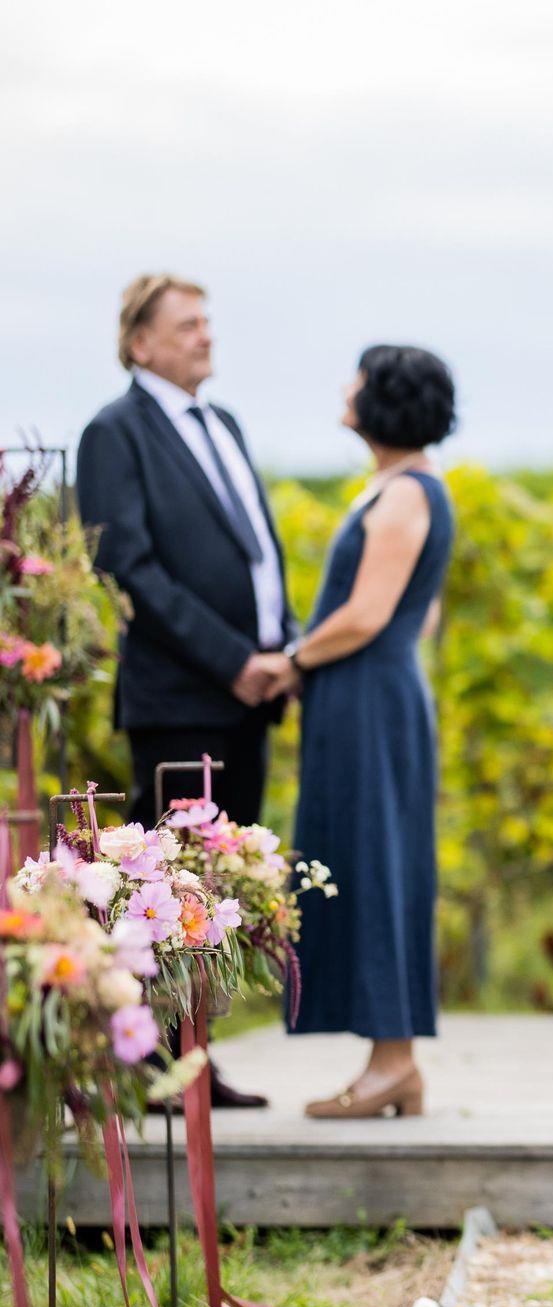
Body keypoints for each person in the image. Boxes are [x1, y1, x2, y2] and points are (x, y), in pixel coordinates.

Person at [78, 273, 299, 1110]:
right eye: (187, 325)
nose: (206, 335)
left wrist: (283, 650)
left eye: (207, 321)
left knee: (220, 890)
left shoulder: (223, 422)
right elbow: (129, 569)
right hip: (180, 698)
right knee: (161, 889)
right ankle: (146, 1066)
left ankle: (194, 1061)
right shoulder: (114, 431)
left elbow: (257, 554)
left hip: (250, 693)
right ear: (140, 343)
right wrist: (235, 657)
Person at [291, 346, 458, 1119]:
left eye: (357, 380)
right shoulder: (405, 487)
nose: (346, 389)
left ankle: (393, 1063)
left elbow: (368, 614)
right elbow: (420, 615)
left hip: (370, 700)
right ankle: (394, 1065)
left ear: (384, 402)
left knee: (378, 866)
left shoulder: (405, 495)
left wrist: (292, 659)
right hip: (371, 695)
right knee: (369, 861)